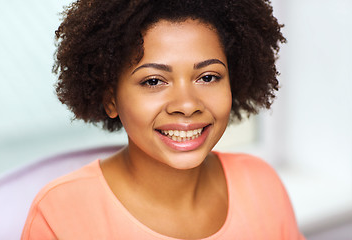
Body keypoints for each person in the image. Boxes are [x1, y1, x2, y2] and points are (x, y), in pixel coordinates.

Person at [22, 0, 305, 239]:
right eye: (154, 80)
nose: (187, 105)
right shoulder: (59, 216)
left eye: (208, 77)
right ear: (111, 99)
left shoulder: (261, 184)